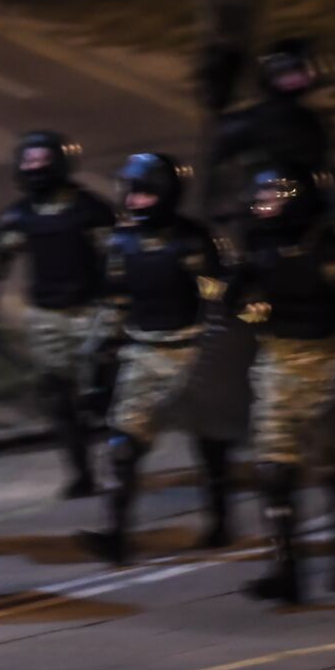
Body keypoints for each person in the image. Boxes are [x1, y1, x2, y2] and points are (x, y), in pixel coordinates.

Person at [78, 154, 233, 565]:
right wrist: (96, 363)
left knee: (211, 441)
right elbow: (114, 305)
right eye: (131, 192)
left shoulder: (195, 242)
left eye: (145, 193)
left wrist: (227, 355)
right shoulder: (120, 244)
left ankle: (220, 519)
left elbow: (219, 301)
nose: (135, 201)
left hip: (194, 351)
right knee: (123, 445)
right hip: (143, 353)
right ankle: (116, 533)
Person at [234, 165, 335, 605]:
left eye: (275, 197)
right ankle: (286, 569)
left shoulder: (332, 252)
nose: (264, 204)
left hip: (330, 363)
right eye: (262, 196)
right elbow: (233, 301)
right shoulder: (256, 248)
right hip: (278, 363)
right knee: (273, 468)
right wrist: (246, 308)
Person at [0, 131, 118, 498]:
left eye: (43, 160)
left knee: (103, 392)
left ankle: (122, 459)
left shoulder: (91, 212)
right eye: (29, 161)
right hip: (46, 318)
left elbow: (120, 263)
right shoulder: (17, 218)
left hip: (93, 313)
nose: (36, 168)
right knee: (57, 396)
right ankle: (81, 472)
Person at [207, 38, 333, 224]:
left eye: (296, 71)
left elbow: (324, 170)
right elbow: (220, 158)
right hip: (261, 211)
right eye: (284, 72)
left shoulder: (313, 122)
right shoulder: (248, 120)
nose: (291, 79)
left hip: (304, 212)